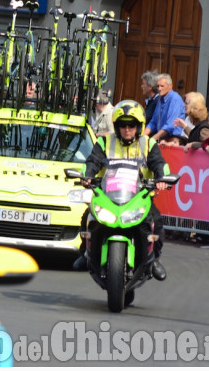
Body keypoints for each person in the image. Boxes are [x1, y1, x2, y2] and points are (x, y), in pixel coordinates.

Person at [73, 100, 170, 281]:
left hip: (139, 197)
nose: (127, 129)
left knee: (156, 221)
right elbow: (92, 162)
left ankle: (154, 260)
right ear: (116, 126)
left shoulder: (149, 144)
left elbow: (160, 165)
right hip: (107, 196)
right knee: (88, 216)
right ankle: (85, 252)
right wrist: (86, 176)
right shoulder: (104, 142)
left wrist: (162, 179)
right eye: (122, 124)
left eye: (131, 125)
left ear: (138, 126)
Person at [143, 74, 185, 142]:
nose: (159, 89)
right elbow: (153, 122)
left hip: (173, 140)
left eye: (162, 86)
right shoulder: (160, 99)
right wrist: (142, 136)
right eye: (158, 86)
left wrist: (153, 139)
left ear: (170, 86)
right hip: (161, 139)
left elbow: (170, 125)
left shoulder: (175, 99)